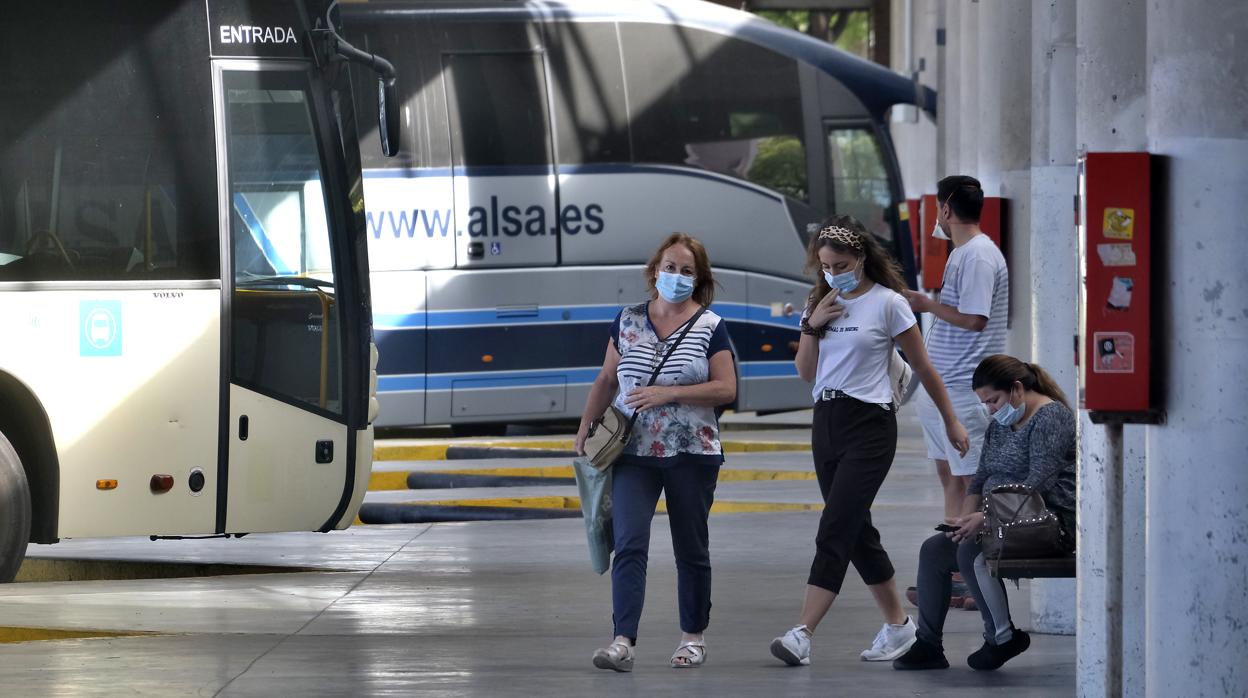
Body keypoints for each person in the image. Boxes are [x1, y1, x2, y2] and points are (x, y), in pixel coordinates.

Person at [769, 216, 970, 667]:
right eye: (824, 265)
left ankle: (802, 632)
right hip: (827, 421)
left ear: (861, 258)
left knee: (836, 527)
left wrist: (952, 421)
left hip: (870, 425)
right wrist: (811, 324)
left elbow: (923, 367)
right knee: (857, 530)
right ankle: (900, 628)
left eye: (840, 264)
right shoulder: (818, 302)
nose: (832, 273)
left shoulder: (889, 304)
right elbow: (806, 375)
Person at [575, 233, 736, 672]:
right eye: (670, 267)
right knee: (628, 543)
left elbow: (727, 388)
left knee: (691, 548)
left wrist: (668, 394)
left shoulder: (710, 325)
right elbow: (607, 379)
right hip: (633, 453)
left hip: (692, 453)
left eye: (687, 271)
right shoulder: (627, 320)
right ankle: (622, 640)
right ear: (654, 271)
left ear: (698, 279)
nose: (676, 277)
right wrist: (585, 427)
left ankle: (692, 637)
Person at [893, 355, 1076, 672]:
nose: (991, 409)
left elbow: (1038, 484)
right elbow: (979, 478)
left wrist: (986, 519)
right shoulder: (1001, 425)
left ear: (1017, 388)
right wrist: (966, 520)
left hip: (1047, 522)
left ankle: (1002, 637)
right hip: (1002, 520)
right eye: (986, 403)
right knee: (935, 550)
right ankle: (928, 644)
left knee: (971, 551)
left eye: (994, 400)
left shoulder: (1051, 418)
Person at [903, 175, 1009, 526]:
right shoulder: (963, 253)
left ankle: (966, 565)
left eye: (936, 210)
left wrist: (925, 305)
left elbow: (975, 319)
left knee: (971, 482)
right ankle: (951, 559)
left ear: (946, 209)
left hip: (965, 389)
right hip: (943, 387)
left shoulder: (978, 256)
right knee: (950, 475)